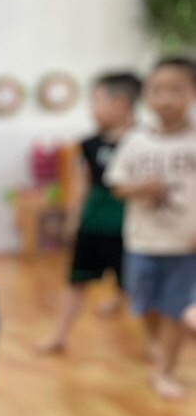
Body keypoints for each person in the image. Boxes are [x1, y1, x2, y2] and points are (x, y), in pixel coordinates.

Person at [104, 56, 196, 399]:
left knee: (175, 307)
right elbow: (116, 184)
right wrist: (141, 187)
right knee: (144, 303)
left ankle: (164, 370)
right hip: (142, 241)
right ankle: (159, 350)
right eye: (157, 90)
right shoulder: (135, 140)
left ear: (192, 93)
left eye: (176, 90)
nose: (165, 98)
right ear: (146, 95)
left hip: (184, 245)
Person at [37, 72, 140, 354]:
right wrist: (73, 218)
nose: (92, 108)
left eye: (97, 100)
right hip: (93, 222)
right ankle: (59, 335)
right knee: (76, 280)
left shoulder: (143, 140)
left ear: (120, 104)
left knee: (135, 285)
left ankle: (155, 345)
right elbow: (81, 182)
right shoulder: (88, 143)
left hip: (130, 226)